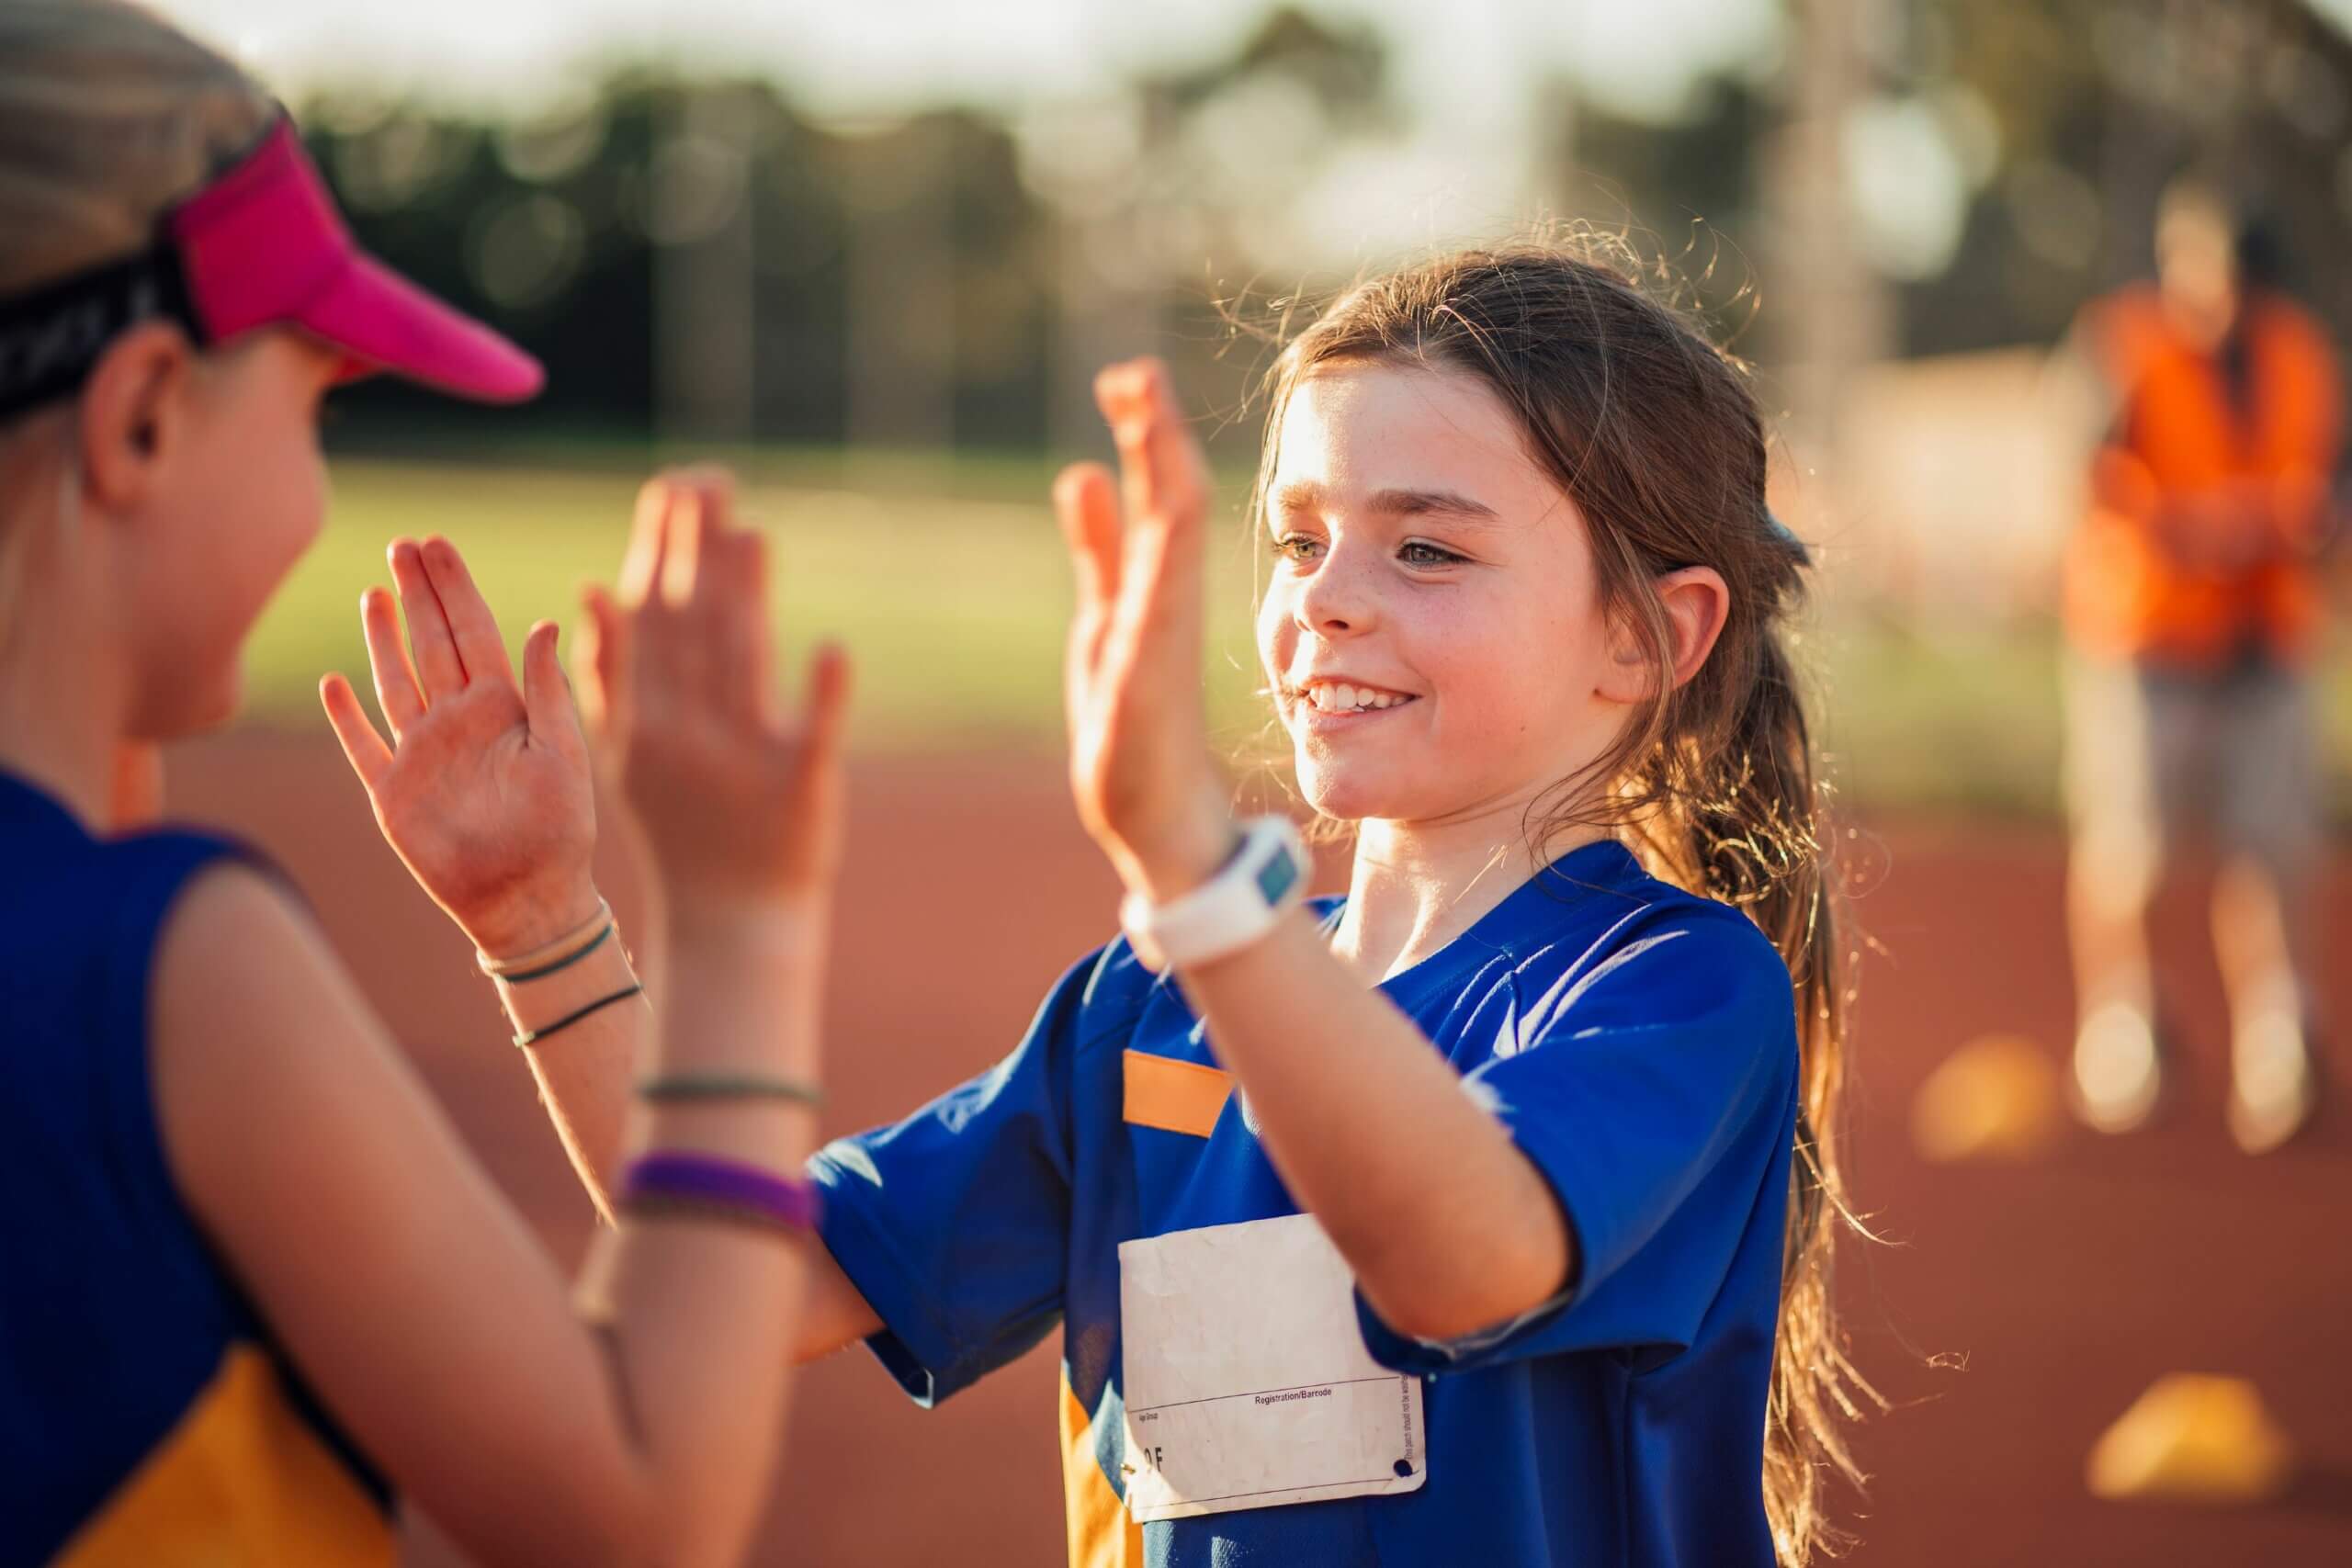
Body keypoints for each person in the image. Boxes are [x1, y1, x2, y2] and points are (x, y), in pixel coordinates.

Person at [347, 240, 1870, 1566]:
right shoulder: (1147, 1005)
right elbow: (753, 1281)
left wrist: (1200, 880)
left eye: (1426, 546)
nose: (1326, 594)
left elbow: (1460, 1260)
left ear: (1647, 636)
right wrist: (543, 928)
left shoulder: (1672, 990)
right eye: (1299, 537)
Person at [0, 5, 852, 1563]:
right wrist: (742, 917)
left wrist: (540, 920)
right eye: (314, 407)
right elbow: (640, 1502)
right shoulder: (176, 966)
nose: (318, 479)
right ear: (141, 417)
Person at [2055, 177, 2342, 1152]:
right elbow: (2080, 474)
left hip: (2266, 640)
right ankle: (2124, 1023)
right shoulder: (2123, 346)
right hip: (2148, 640)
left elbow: (2331, 477)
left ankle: (2280, 1038)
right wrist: (2188, 526)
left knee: (2272, 849)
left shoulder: (2299, 353)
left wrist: (2306, 526)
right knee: (2129, 849)